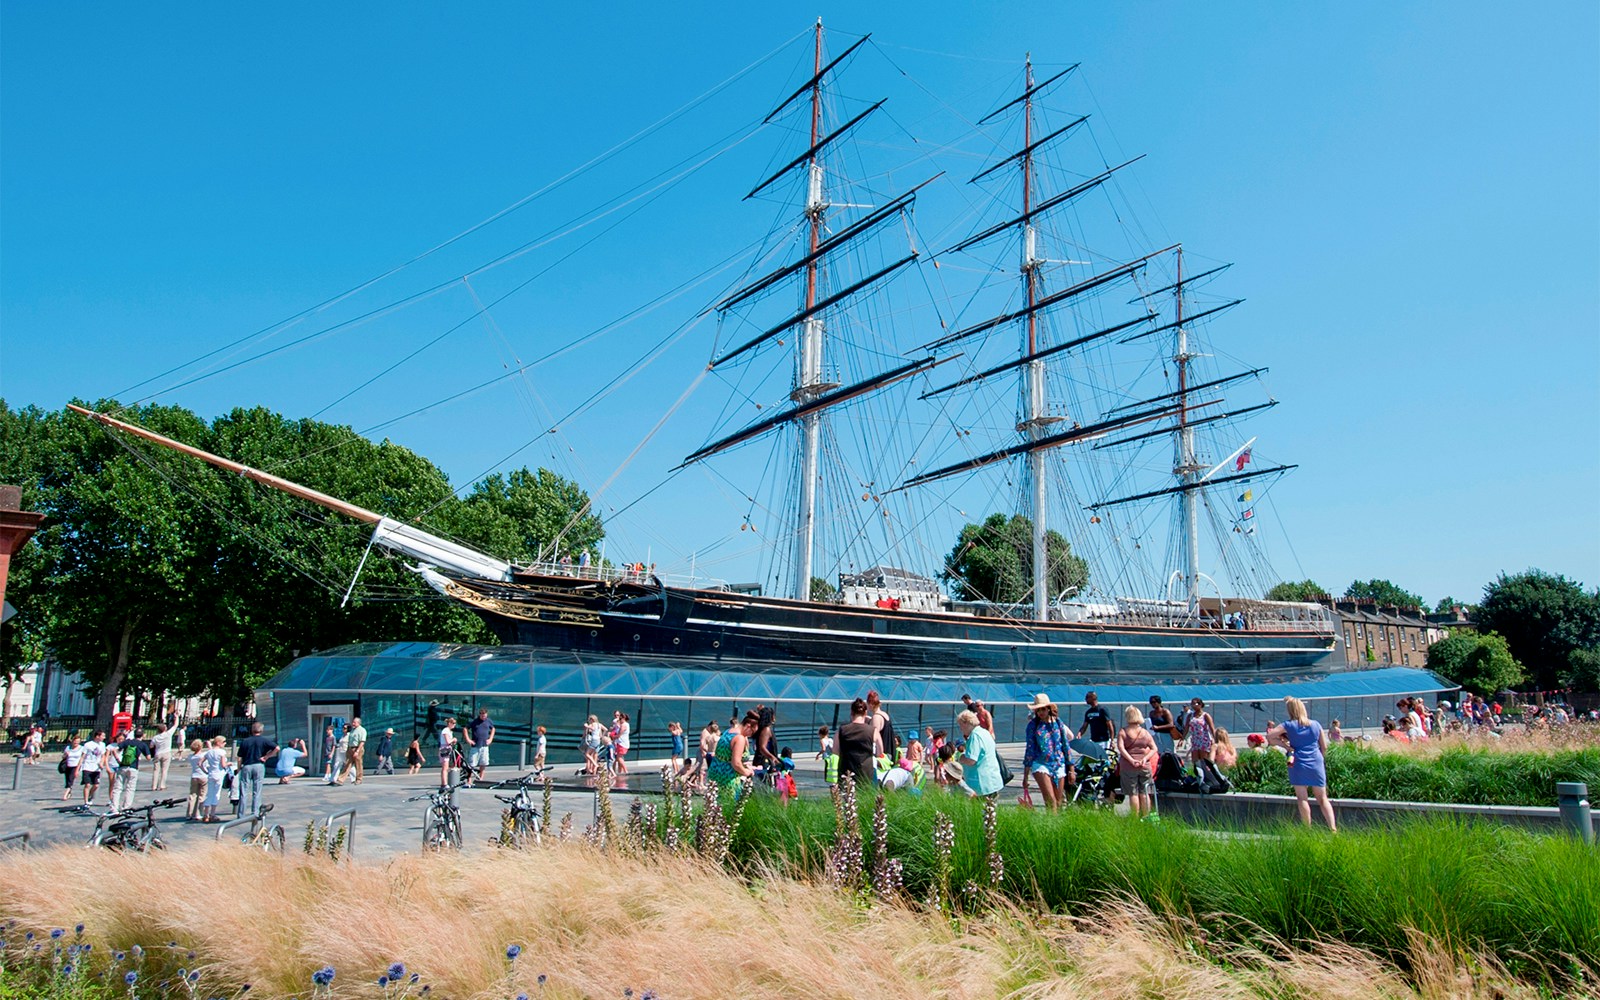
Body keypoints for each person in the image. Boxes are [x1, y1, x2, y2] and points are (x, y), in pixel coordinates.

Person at [1268, 696, 1336, 831]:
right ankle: (1333, 829)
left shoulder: (1288, 725)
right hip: (1316, 761)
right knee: (1323, 798)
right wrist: (1320, 760)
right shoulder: (1316, 724)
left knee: (1302, 798)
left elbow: (1270, 736)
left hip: (1298, 761)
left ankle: (1307, 829)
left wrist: (1286, 746)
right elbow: (1324, 747)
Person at [1022, 693, 1070, 810]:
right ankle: (1051, 825)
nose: (1040, 713)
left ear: (1048, 709)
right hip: (1041, 763)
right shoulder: (1033, 726)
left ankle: (1056, 825)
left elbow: (1065, 744)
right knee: (1051, 800)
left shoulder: (1058, 723)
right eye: (1038, 710)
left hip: (1058, 763)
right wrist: (1026, 775)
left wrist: (1071, 768)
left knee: (1059, 802)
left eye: (1043, 709)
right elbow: (1030, 749)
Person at [706, 710, 758, 805]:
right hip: (728, 778)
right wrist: (747, 772)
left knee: (714, 806)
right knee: (729, 807)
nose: (751, 735)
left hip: (715, 773)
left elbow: (727, 756)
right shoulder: (739, 738)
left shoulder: (727, 732)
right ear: (748, 726)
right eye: (752, 732)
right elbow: (736, 763)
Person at [1117, 706, 1157, 819]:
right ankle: (1146, 817)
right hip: (1145, 766)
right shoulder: (1145, 732)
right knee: (1144, 792)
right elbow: (1154, 748)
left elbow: (1121, 748)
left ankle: (1135, 818)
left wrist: (1131, 760)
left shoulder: (1123, 732)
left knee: (1133, 793)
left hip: (1128, 766)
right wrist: (1144, 759)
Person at [234, 721, 277, 817]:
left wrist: (238, 768)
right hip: (258, 765)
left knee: (243, 790)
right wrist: (266, 757)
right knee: (257, 790)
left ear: (252, 730)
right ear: (261, 730)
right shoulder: (264, 740)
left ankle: (241, 814)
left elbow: (239, 757)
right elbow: (277, 748)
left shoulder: (245, 741)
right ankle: (255, 813)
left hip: (247, 765)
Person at [956, 709, 1002, 799]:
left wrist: (960, 758)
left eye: (960, 725)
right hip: (992, 780)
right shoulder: (985, 732)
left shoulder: (974, 736)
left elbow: (971, 760)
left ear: (966, 723)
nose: (960, 729)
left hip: (981, 784)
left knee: (980, 810)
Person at [834, 698, 876, 791]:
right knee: (864, 797)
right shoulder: (872, 730)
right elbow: (880, 751)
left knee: (846, 798)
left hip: (846, 770)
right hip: (866, 772)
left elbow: (835, 751)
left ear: (851, 712)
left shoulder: (841, 730)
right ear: (865, 712)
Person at [110, 728, 149, 812]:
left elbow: (114, 750)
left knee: (117, 788)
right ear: (142, 735)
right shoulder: (142, 744)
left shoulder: (127, 742)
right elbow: (148, 758)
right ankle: (126, 807)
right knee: (130, 788)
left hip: (123, 766)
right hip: (133, 767)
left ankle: (114, 807)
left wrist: (118, 759)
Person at [1078, 691, 1116, 756]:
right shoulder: (1088, 712)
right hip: (1094, 741)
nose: (1085, 699)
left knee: (1103, 761)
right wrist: (1080, 733)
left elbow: (1110, 725)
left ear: (1093, 698)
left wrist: (1112, 740)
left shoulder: (1102, 710)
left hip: (1104, 741)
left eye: (1087, 697)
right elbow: (1084, 726)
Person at [149, 717, 180, 791]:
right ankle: (162, 785)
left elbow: (151, 745)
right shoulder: (168, 734)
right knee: (164, 770)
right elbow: (176, 725)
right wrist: (176, 717)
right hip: (166, 753)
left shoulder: (155, 737)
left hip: (158, 753)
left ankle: (154, 786)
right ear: (164, 729)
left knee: (156, 770)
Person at [464, 709, 494, 785]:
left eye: (485, 715)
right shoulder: (475, 721)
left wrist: (490, 739)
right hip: (476, 745)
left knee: (483, 762)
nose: (484, 717)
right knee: (472, 764)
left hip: (484, 745)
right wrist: (468, 740)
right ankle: (469, 780)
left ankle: (481, 779)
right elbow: (465, 729)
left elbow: (493, 728)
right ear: (480, 715)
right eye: (482, 716)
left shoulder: (488, 721)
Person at [77, 730, 107, 806]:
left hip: (96, 768)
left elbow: (103, 755)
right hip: (87, 766)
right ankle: (86, 801)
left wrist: (101, 763)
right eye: (102, 736)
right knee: (87, 784)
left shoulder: (103, 745)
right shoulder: (88, 745)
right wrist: (78, 768)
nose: (104, 737)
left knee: (96, 785)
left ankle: (90, 795)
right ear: (97, 736)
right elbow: (83, 756)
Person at [865, 691, 896, 760]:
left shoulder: (876, 717)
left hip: (882, 756)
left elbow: (874, 738)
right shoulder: (884, 715)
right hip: (889, 752)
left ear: (870, 704)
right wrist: (870, 720)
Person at [338, 716, 368, 785]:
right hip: (350, 748)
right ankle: (340, 779)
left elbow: (362, 742)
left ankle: (359, 779)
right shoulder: (352, 730)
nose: (353, 724)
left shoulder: (362, 730)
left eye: (354, 722)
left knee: (358, 764)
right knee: (347, 764)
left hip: (357, 748)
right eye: (353, 722)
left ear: (358, 723)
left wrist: (357, 751)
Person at [59, 735, 84, 801]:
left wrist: (79, 768)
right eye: (75, 742)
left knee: (71, 780)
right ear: (72, 741)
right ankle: (69, 791)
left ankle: (65, 794)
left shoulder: (81, 748)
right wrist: (66, 754)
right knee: (67, 780)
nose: (76, 743)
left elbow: (82, 758)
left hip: (75, 766)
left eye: (78, 742)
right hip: (68, 765)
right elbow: (63, 757)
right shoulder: (68, 747)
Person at [438, 717, 459, 788]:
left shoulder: (449, 731)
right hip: (445, 749)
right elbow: (448, 741)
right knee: (445, 767)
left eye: (455, 723)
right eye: (453, 723)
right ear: (449, 723)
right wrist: (453, 739)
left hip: (447, 749)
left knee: (446, 767)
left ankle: (445, 782)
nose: (454, 725)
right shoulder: (446, 730)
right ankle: (444, 783)